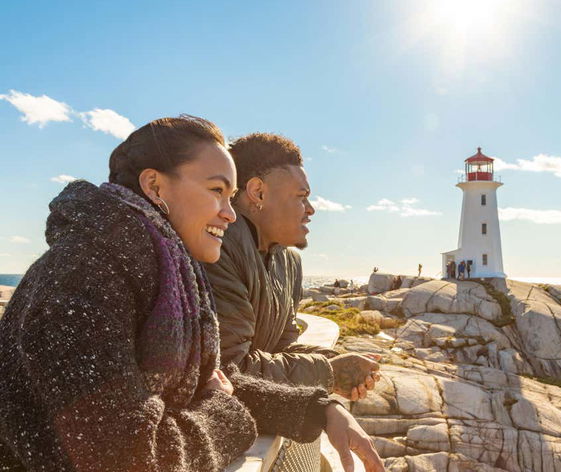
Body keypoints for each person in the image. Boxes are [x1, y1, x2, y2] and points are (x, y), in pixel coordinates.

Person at [0, 116, 382, 472]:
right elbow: (130, 457)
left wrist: (319, 409)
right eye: (217, 191)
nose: (231, 214)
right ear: (154, 186)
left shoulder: (163, 271)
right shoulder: (81, 277)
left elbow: (212, 383)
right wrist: (223, 414)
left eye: (231, 197)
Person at [204, 133, 380, 402]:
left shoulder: (289, 260)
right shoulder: (216, 248)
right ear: (258, 192)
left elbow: (280, 347)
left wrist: (336, 360)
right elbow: (227, 369)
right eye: (301, 197)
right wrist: (329, 372)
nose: (310, 210)